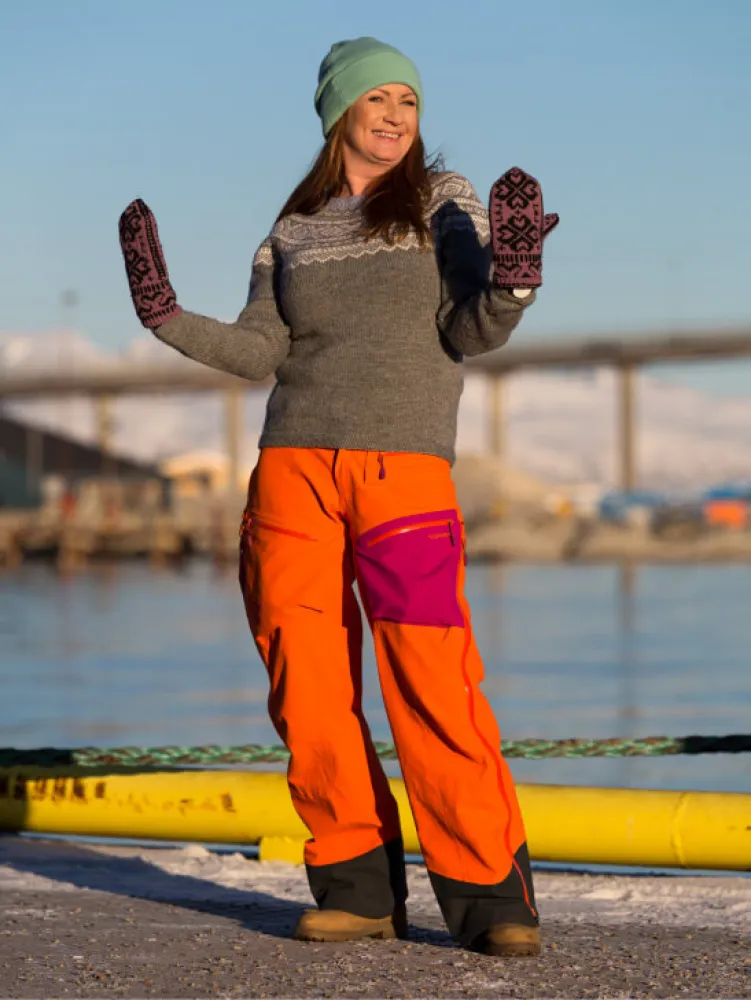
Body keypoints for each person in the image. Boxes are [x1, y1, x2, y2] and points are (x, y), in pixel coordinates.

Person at [118, 36, 558, 957]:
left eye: (408, 100)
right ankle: (356, 889)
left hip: (402, 471)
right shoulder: (293, 225)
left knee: (431, 680)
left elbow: (469, 329)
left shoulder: (444, 201)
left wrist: (512, 281)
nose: (397, 116)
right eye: (377, 99)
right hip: (290, 472)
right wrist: (163, 313)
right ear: (337, 113)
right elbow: (260, 352)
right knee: (306, 683)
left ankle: (489, 899)